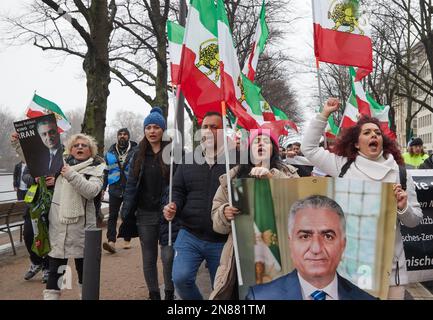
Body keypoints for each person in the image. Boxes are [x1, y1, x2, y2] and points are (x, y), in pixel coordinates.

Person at [301, 98, 423, 300]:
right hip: (352, 270)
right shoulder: (343, 167)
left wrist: (403, 208)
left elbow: (414, 220)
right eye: (367, 133)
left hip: (392, 272)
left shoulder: (400, 174)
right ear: (357, 143)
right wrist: (324, 115)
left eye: (377, 132)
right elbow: (309, 149)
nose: (374, 135)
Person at [210, 129, 299, 300]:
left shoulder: (289, 173)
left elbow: (299, 208)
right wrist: (224, 213)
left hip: (280, 252)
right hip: (242, 255)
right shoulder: (232, 178)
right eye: (256, 141)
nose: (260, 143)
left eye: (266, 141)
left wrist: (272, 179)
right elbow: (216, 221)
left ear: (273, 149)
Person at [163, 111, 235, 300]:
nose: (209, 130)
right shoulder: (189, 159)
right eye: (205, 127)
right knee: (180, 278)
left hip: (222, 239)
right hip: (190, 234)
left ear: (223, 131)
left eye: (214, 127)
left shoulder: (236, 160)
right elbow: (177, 190)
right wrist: (173, 205)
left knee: (221, 290)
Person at [246, 195, 376, 300]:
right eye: (305, 236)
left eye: (328, 236)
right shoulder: (259, 298)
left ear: (343, 244)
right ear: (290, 244)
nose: (316, 249)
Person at [120, 107, 174, 300]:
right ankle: (154, 294)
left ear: (162, 130)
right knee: (149, 258)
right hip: (145, 213)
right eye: (148, 127)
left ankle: (169, 293)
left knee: (168, 257)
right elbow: (130, 185)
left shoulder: (174, 152)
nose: (152, 131)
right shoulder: (137, 154)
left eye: (156, 127)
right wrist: (126, 210)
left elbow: (180, 182)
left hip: (168, 213)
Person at [43, 133, 105, 300]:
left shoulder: (97, 169)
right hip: (59, 229)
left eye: (84, 145)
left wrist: (70, 174)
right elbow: (35, 161)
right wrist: (18, 143)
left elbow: (92, 191)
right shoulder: (57, 167)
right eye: (76, 145)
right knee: (55, 274)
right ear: (70, 150)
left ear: (91, 151)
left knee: (85, 274)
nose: (79, 147)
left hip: (83, 232)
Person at [102, 128, 137, 253]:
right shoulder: (109, 152)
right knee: (112, 216)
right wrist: (102, 188)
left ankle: (127, 239)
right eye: (120, 134)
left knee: (128, 214)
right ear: (117, 136)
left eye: (125, 134)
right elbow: (106, 172)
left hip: (130, 186)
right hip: (114, 187)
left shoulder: (136, 151)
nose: (122, 136)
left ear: (128, 136)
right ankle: (111, 241)